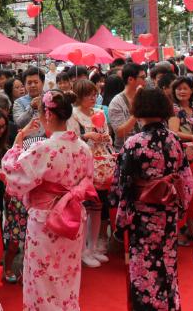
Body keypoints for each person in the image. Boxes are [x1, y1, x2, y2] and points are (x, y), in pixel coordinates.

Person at [2, 90, 97, 310]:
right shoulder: (83, 148)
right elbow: (88, 180)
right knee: (68, 274)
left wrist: (16, 146)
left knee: (42, 277)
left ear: (49, 115)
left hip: (46, 220)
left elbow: (15, 178)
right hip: (73, 216)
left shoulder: (43, 148)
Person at [109, 87, 193, 311]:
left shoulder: (135, 142)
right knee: (168, 264)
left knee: (145, 268)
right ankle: (170, 305)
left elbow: (122, 184)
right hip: (168, 212)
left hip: (143, 215)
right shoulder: (174, 140)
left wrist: (121, 221)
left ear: (140, 110)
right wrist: (181, 207)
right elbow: (186, 179)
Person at [68, 79, 114, 267]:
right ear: (79, 97)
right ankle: (82, 250)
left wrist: (104, 137)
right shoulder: (74, 115)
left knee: (97, 207)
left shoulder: (99, 112)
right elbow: (71, 140)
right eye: (89, 95)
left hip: (102, 165)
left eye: (94, 94)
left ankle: (92, 247)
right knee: (84, 208)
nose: (93, 98)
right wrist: (86, 136)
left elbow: (109, 137)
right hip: (83, 167)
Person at [107, 63, 145, 152]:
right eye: (142, 78)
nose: (145, 81)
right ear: (130, 79)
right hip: (125, 151)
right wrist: (137, 110)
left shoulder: (145, 96)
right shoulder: (116, 102)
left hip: (145, 147)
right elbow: (120, 132)